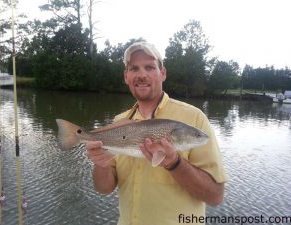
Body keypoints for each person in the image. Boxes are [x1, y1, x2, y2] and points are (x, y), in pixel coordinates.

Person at [86, 42, 228, 225]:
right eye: (134, 68)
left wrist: (175, 164)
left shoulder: (194, 118)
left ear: (163, 73)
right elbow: (104, 189)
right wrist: (101, 164)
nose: (142, 74)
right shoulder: (119, 122)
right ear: (126, 77)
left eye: (150, 67)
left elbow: (215, 197)